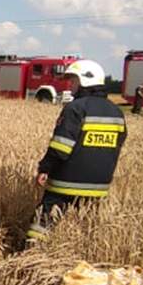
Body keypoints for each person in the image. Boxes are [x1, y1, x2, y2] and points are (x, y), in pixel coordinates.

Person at [27, 59, 129, 242]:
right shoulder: (116, 112)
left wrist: (45, 168)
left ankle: (29, 256)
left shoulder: (76, 108)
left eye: (73, 80)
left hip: (66, 181)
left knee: (42, 222)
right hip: (99, 184)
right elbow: (120, 142)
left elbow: (60, 146)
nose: (70, 85)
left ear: (85, 81)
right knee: (84, 228)